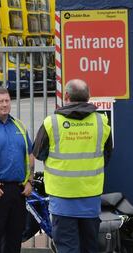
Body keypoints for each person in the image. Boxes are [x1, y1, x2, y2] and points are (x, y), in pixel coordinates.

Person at [33, 79, 112, 253]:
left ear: (66, 96)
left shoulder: (51, 123)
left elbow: (39, 153)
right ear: (88, 97)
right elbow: (107, 156)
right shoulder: (101, 122)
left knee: (68, 248)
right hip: (90, 198)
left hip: (62, 200)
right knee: (89, 247)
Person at [0, 86, 34, 253]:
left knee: (14, 238)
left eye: (7, 100)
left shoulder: (18, 125)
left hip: (19, 191)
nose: (5, 105)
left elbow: (29, 153)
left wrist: (29, 181)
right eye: (0, 101)